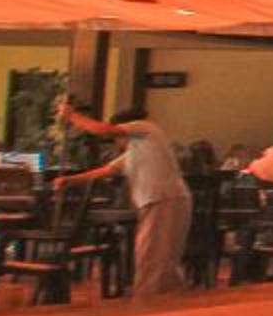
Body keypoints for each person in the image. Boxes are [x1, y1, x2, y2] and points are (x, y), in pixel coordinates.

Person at [55, 102, 190, 297]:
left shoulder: (146, 128)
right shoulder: (135, 152)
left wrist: (72, 116)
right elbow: (105, 170)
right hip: (161, 200)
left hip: (164, 198)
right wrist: (69, 180)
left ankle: (151, 302)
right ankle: (163, 300)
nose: (116, 143)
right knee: (156, 258)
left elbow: (104, 130)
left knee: (153, 258)